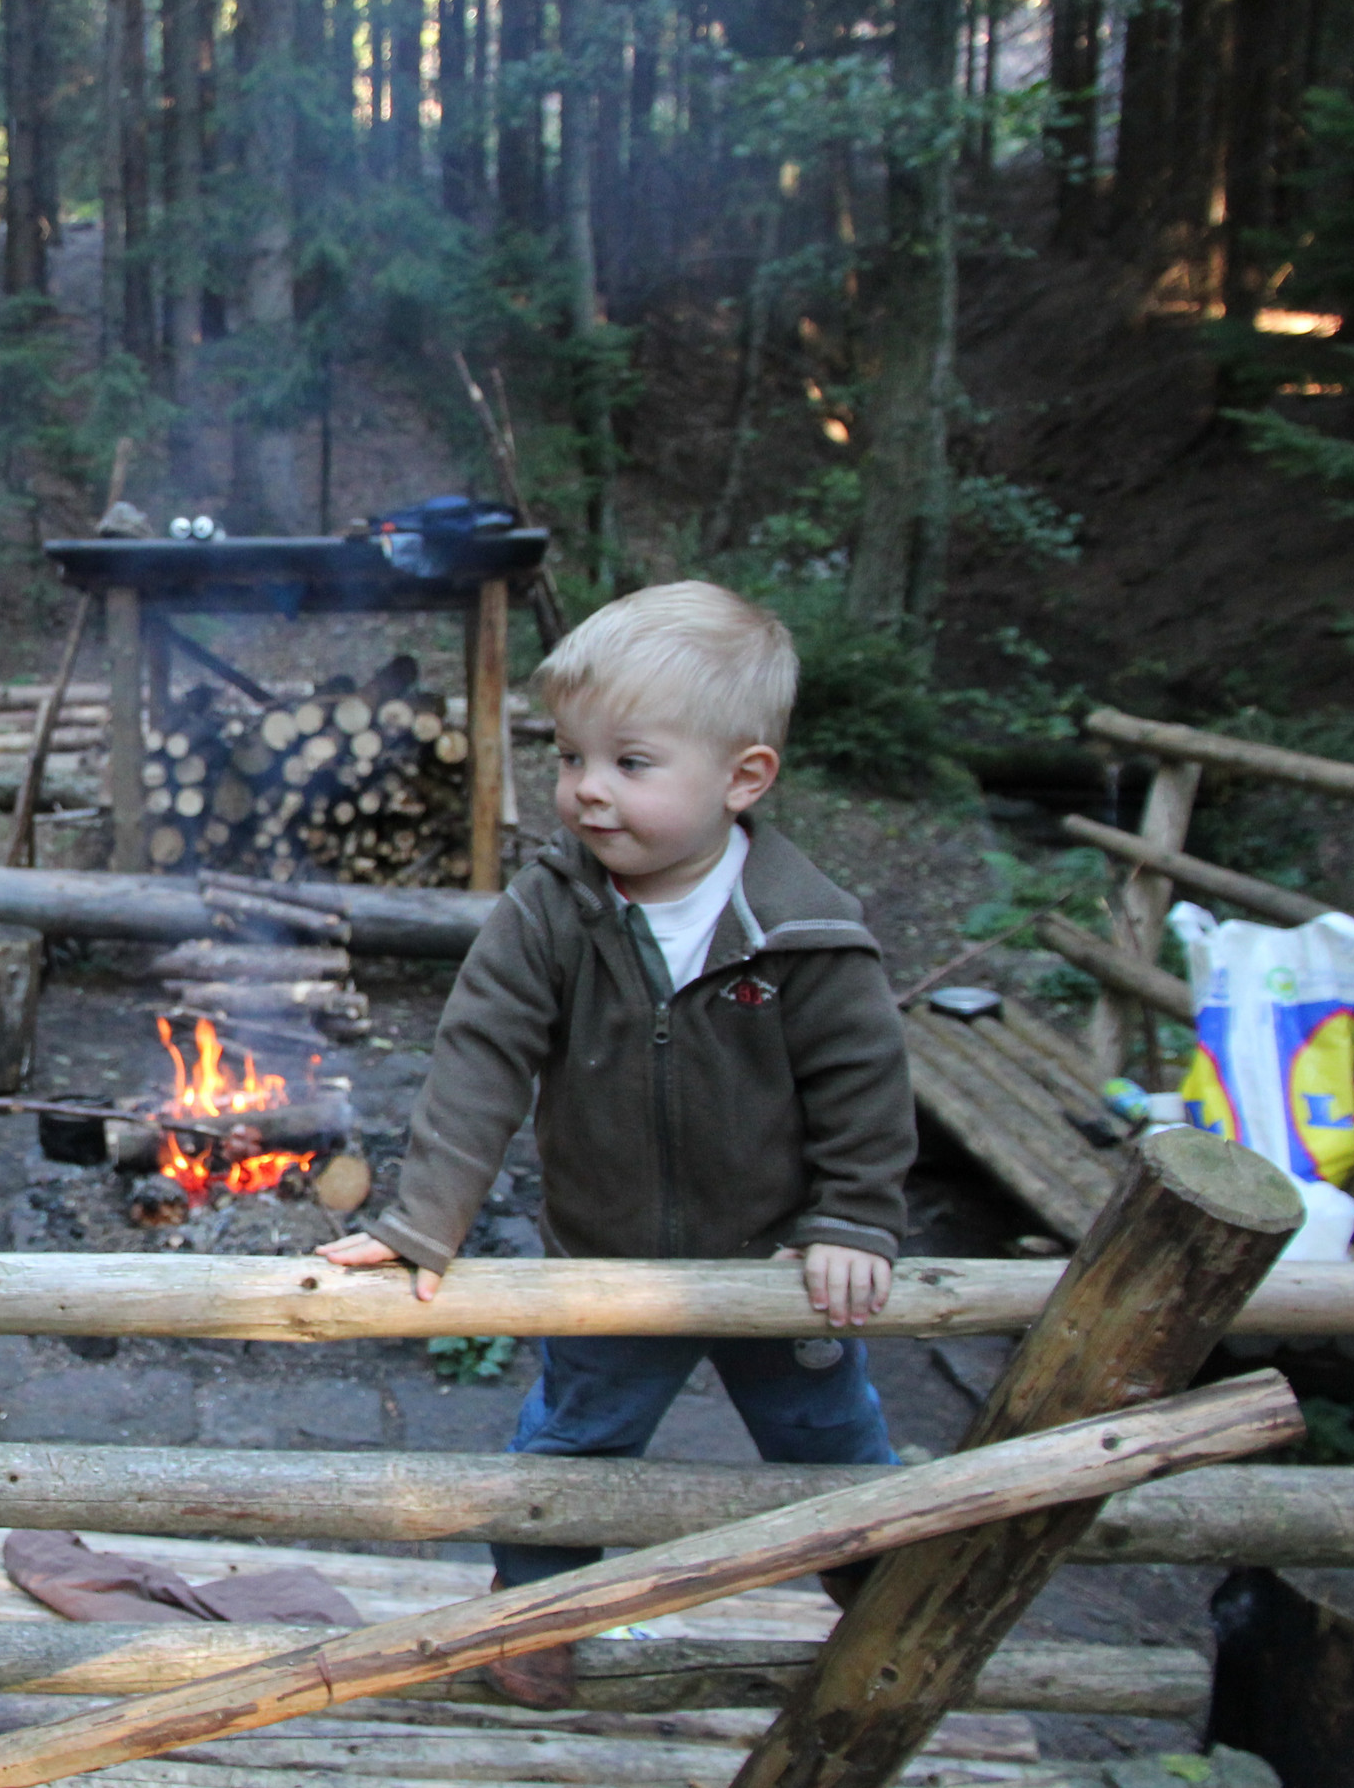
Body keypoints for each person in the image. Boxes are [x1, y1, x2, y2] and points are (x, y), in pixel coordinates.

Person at [315, 581, 913, 1703]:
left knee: (830, 1438)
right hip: (608, 1255)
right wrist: (424, 1222)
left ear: (744, 778)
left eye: (631, 763)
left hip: (781, 1262)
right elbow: (481, 1056)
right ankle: (537, 1611)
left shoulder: (804, 931)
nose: (587, 787)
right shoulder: (552, 907)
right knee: (576, 1440)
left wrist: (852, 1219)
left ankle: (891, 1609)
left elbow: (864, 1089)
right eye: (572, 756)